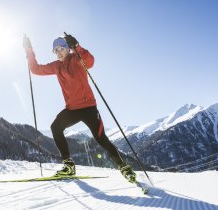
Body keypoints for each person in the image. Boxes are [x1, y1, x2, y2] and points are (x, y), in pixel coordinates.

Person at [22, 33, 136, 183]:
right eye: (55, 50)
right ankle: (68, 166)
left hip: (89, 108)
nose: (58, 52)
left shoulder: (77, 59)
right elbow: (36, 69)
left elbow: (90, 61)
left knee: (101, 139)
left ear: (67, 49)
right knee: (55, 127)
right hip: (72, 109)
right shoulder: (56, 66)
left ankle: (124, 167)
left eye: (61, 48)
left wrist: (77, 46)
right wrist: (29, 50)